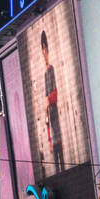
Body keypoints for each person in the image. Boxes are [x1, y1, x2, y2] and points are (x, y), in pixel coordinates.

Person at [38, 31, 65, 168]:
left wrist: (49, 101)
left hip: (53, 109)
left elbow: (53, 93)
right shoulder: (45, 73)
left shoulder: (52, 70)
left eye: (45, 50)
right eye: (43, 51)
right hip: (50, 111)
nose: (45, 54)